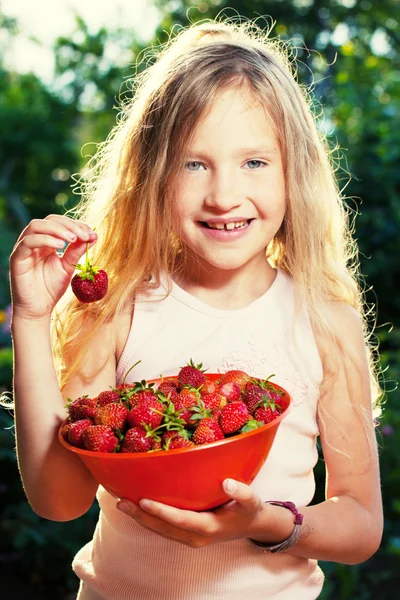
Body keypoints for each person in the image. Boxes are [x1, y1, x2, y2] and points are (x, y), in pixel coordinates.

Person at [9, 17, 383, 600]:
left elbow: (360, 525)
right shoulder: (115, 306)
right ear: (154, 174)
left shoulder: (324, 318)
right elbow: (60, 501)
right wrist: (31, 321)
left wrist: (264, 523)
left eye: (254, 162)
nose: (223, 195)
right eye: (194, 163)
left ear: (294, 173)